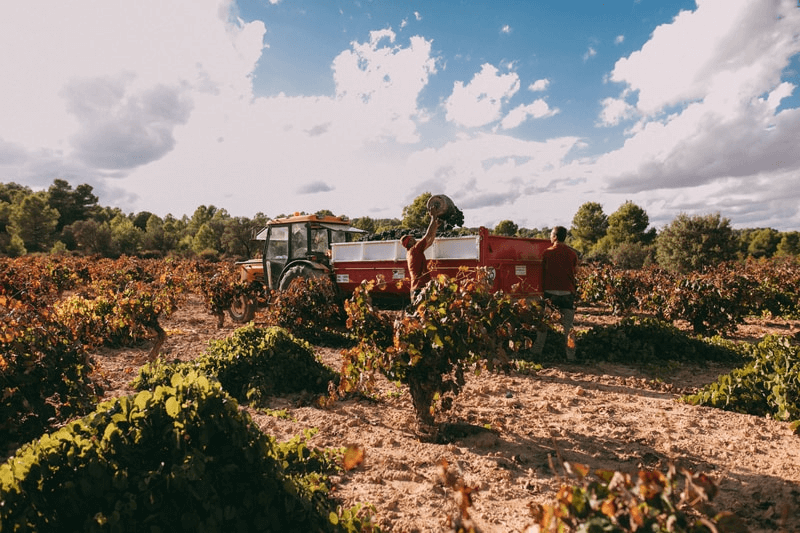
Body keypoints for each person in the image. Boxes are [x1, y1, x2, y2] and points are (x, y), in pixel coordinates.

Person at [533, 225, 579, 360]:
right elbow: (576, 271)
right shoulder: (572, 254)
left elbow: (540, 271)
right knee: (568, 327)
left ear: (555, 237)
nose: (550, 237)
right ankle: (571, 356)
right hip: (567, 293)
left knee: (544, 324)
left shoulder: (547, 253)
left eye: (551, 234)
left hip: (550, 293)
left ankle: (536, 352)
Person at [401, 211, 439, 303]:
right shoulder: (415, 249)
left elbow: (430, 241)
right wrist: (433, 218)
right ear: (409, 242)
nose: (414, 238)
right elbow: (428, 235)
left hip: (416, 288)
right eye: (412, 238)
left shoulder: (412, 252)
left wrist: (436, 226)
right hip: (420, 289)